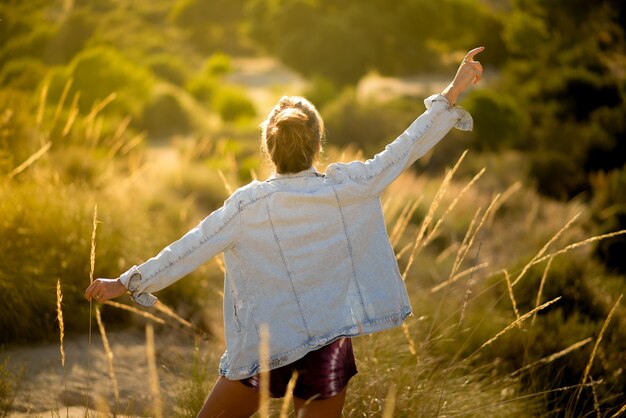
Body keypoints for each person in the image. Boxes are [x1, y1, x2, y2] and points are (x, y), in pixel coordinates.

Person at [85, 47, 484, 418]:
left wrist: (126, 281)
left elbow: (192, 246)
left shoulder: (247, 205)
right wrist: (451, 91)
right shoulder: (347, 187)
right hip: (327, 348)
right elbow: (404, 149)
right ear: (317, 145)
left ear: (269, 149)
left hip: (265, 349)